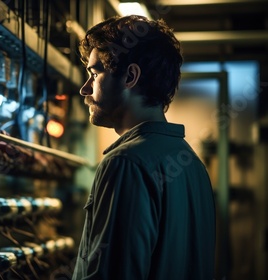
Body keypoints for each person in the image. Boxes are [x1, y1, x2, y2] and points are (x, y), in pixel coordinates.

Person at [71, 15, 216, 280]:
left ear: (130, 76)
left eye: (94, 74)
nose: (84, 89)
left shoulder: (125, 163)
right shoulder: (192, 164)